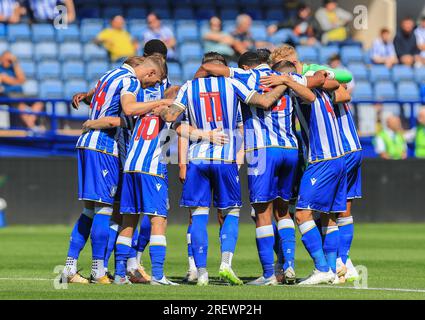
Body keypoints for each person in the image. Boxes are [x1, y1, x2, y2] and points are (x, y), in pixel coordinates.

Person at [160, 52, 289, 286]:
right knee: (230, 212)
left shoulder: (188, 87)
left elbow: (170, 118)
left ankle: (201, 272)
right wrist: (286, 81)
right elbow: (262, 103)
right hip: (226, 159)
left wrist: (193, 130)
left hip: (197, 159)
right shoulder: (232, 83)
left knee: (198, 215)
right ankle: (226, 264)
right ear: (222, 68)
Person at [198, 52, 316, 285]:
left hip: (261, 149)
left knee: (262, 213)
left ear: (244, 64)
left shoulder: (244, 75)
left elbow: (211, 68)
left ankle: (269, 274)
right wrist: (287, 79)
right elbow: (313, 91)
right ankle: (289, 266)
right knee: (283, 211)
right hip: (290, 149)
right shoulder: (284, 76)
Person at [61, 55, 167, 284]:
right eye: (154, 81)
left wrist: (87, 103)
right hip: (103, 147)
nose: (152, 86)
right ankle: (98, 272)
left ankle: (69, 268)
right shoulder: (131, 80)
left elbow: (99, 104)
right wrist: (158, 104)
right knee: (104, 209)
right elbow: (128, 110)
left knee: (89, 210)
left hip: (86, 143)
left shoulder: (108, 75)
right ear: (148, 73)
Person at [0, 51, 44, 130]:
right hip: (9, 96)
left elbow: (22, 80)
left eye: (11, 60)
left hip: (20, 94)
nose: (9, 62)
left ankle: (31, 125)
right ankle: (32, 127)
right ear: (1, 59)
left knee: (38, 102)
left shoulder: (13, 68)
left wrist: (15, 63)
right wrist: (17, 81)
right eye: (8, 60)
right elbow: (19, 81)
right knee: (20, 105)